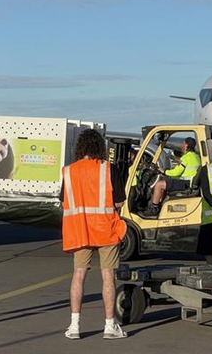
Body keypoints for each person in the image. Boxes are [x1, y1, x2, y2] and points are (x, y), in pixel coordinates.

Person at [60, 129, 128, 340]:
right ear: (100, 147)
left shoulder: (69, 171)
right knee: (108, 275)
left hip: (80, 230)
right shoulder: (109, 169)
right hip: (106, 229)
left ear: (80, 148)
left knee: (79, 274)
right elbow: (119, 201)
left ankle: (74, 326)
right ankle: (109, 325)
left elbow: (63, 200)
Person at [141, 137, 201, 218]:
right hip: (188, 182)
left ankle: (154, 208)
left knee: (159, 184)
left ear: (186, 145)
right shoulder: (196, 157)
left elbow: (176, 172)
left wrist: (164, 171)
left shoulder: (186, 157)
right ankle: (160, 205)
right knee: (165, 181)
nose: (181, 146)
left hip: (185, 183)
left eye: (183, 144)